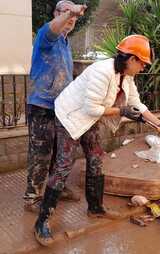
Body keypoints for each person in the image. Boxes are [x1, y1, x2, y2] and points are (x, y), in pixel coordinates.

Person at [34, 34, 160, 246]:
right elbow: (92, 108)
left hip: (90, 117)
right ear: (131, 59)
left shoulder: (126, 76)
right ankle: (41, 221)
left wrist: (159, 125)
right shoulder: (102, 71)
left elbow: (137, 105)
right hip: (70, 116)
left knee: (96, 158)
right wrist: (122, 110)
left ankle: (95, 208)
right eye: (142, 64)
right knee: (63, 167)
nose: (143, 68)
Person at [24, 1, 86, 212]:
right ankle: (32, 197)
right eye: (65, 13)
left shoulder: (66, 43)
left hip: (61, 107)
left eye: (74, 17)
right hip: (41, 104)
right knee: (40, 153)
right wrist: (71, 11)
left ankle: (54, 187)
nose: (70, 19)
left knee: (59, 152)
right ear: (55, 14)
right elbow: (53, 29)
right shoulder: (46, 35)